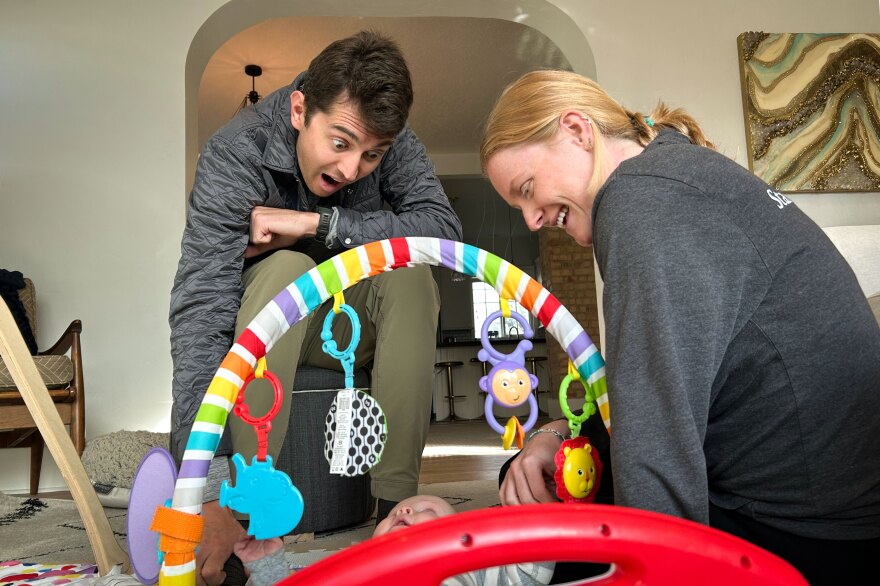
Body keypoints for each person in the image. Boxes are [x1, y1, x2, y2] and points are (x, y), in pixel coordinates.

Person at [479, 69, 880, 585]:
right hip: (826, 506)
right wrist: (555, 433)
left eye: (528, 190)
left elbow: (657, 446)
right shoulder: (674, 171)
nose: (532, 220)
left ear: (578, 131)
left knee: (544, 534)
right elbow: (655, 389)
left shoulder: (641, 205)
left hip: (810, 535)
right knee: (534, 474)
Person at [169, 31, 462, 585]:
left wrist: (316, 225)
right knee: (285, 270)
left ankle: (394, 508)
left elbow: (443, 231)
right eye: (341, 143)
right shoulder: (238, 152)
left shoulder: (396, 145)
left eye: (371, 154)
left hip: (360, 327)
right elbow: (202, 309)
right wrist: (201, 486)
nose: (353, 169)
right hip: (271, 327)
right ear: (301, 109)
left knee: (410, 275)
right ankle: (246, 506)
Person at [235, 494, 554, 586]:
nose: (402, 509)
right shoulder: (359, 571)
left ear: (462, 540)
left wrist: (540, 519)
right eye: (390, 517)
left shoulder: (468, 570)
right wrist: (267, 565)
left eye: (425, 508)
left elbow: (528, 575)